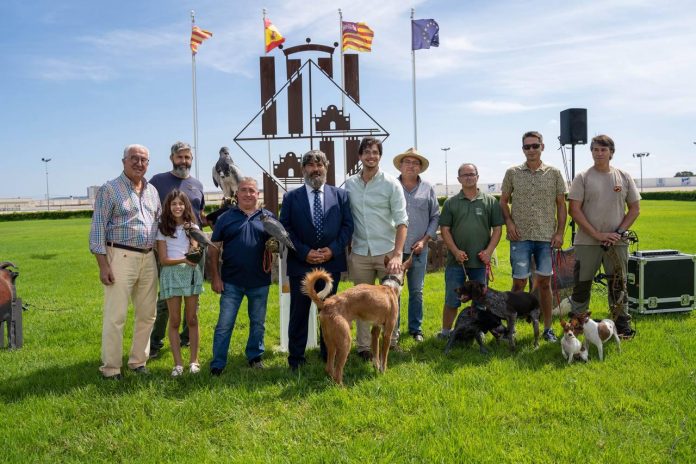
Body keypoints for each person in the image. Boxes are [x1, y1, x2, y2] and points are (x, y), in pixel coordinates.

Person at [89, 144, 161, 380]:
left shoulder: (152, 191)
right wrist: (103, 265)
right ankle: (111, 369)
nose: (139, 163)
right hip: (120, 256)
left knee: (148, 314)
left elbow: (159, 224)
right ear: (124, 161)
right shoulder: (109, 189)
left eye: (144, 160)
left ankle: (138, 361)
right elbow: (98, 228)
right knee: (116, 315)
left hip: (148, 257)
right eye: (134, 159)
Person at [279, 150, 354, 370]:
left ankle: (327, 354)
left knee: (330, 313)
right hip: (301, 264)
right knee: (299, 312)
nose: (315, 169)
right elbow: (286, 230)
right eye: (310, 165)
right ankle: (296, 359)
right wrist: (304, 252)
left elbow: (348, 227)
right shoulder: (291, 198)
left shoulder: (341, 196)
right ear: (303, 170)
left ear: (326, 168)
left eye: (320, 165)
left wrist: (332, 250)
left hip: (331, 264)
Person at [568, 135, 640, 338]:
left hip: (617, 244)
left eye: (603, 150)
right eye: (595, 149)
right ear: (591, 152)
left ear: (611, 152)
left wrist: (618, 233)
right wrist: (597, 234)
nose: (599, 153)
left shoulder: (623, 176)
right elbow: (574, 210)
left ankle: (621, 324)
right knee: (582, 284)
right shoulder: (582, 177)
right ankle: (577, 323)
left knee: (618, 284)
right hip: (587, 242)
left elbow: (634, 209)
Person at [500, 131, 567, 342]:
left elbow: (561, 205)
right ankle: (510, 328)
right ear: (523, 149)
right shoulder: (512, 172)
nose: (531, 150)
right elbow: (503, 201)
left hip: (546, 238)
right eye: (527, 146)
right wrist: (509, 223)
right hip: (520, 238)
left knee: (545, 284)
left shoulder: (554, 173)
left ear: (542, 147)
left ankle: (547, 328)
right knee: (518, 284)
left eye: (535, 146)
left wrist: (560, 233)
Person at [345, 137, 408, 358]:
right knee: (362, 302)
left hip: (387, 253)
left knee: (390, 302)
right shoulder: (350, 184)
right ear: (360, 156)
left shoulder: (391, 183)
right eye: (367, 152)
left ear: (380, 156)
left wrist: (398, 254)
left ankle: (391, 342)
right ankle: (364, 348)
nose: (371, 156)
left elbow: (402, 221)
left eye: (375, 152)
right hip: (360, 252)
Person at [208, 177, 274, 375]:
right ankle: (218, 363)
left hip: (259, 281)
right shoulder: (225, 218)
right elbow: (214, 250)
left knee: (258, 324)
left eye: (251, 190)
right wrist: (215, 277)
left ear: (258, 194)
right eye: (243, 190)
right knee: (224, 325)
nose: (247, 194)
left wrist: (275, 246)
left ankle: (255, 357)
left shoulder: (268, 217)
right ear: (237, 194)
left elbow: (278, 244)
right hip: (231, 281)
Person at [148, 141, 206, 359]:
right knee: (165, 300)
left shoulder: (197, 184)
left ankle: (186, 339)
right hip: (166, 248)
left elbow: (199, 216)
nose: (184, 161)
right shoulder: (157, 181)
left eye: (188, 157)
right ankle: (155, 344)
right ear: (172, 158)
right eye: (180, 157)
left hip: (194, 249)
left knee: (193, 299)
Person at [436, 163, 504, 339]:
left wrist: (489, 251)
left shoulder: (490, 201)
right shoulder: (451, 203)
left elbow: (497, 229)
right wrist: (455, 251)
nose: (468, 177)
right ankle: (445, 332)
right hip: (455, 262)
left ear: (477, 177)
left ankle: (478, 332)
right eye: (464, 175)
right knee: (452, 299)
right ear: (459, 179)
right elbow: (445, 230)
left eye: (471, 174)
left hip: (480, 263)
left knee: (480, 301)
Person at [393, 148, 440, 342]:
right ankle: (392, 329)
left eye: (415, 163)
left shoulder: (428, 188)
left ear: (420, 167)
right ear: (401, 165)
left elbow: (435, 216)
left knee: (416, 291)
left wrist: (425, 239)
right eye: (407, 162)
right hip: (395, 250)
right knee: (392, 291)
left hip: (419, 250)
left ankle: (415, 329)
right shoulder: (391, 186)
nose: (411, 165)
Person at [156, 190, 203, 377]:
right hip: (171, 275)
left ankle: (194, 361)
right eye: (173, 203)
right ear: (168, 206)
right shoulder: (162, 229)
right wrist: (184, 260)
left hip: (190, 275)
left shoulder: (192, 227)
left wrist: (192, 251)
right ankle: (178, 364)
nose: (177, 207)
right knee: (174, 320)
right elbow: (163, 259)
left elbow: (195, 249)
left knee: (191, 319)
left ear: (186, 206)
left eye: (181, 204)